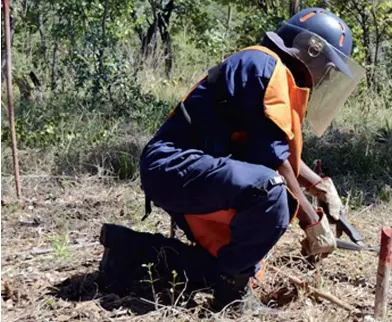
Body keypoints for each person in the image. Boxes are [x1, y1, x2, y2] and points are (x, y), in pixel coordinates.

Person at [98, 7, 365, 310]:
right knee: (272, 192)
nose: (326, 78)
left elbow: (273, 147)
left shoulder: (270, 68)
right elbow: (272, 162)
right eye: (328, 69)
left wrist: (319, 186)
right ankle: (232, 298)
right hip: (175, 167)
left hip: (187, 171)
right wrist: (311, 221)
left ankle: (130, 249)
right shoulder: (268, 68)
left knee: (232, 261)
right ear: (312, 49)